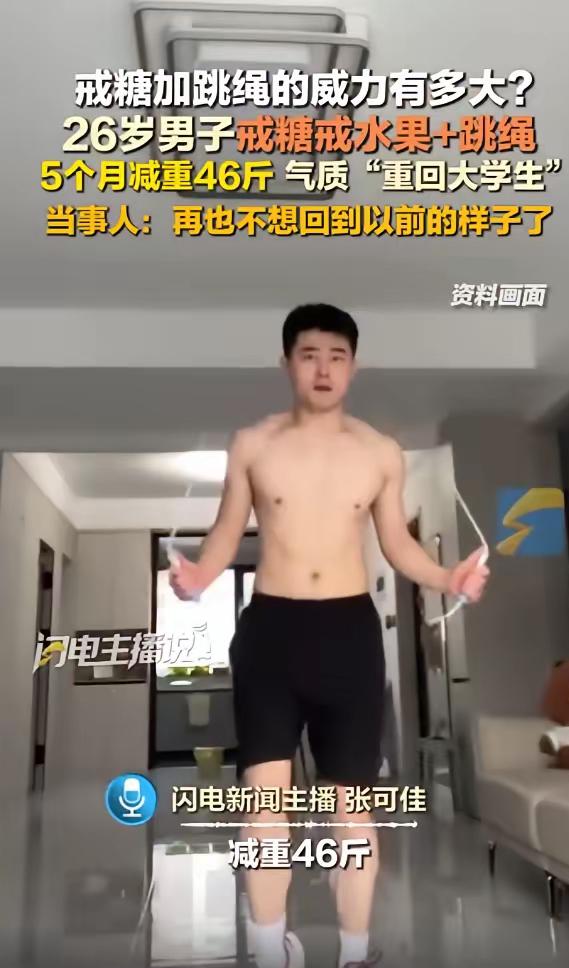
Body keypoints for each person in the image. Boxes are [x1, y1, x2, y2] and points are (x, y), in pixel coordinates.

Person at [169, 303, 490, 968]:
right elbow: (228, 530)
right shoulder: (253, 444)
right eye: (309, 355)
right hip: (271, 633)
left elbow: (397, 543)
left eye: (337, 356)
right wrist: (199, 575)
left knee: (352, 809)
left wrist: (448, 577)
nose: (323, 369)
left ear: (354, 367)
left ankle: (354, 953)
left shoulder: (379, 453)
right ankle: (269, 949)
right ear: (286, 363)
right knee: (265, 801)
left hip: (348, 634)